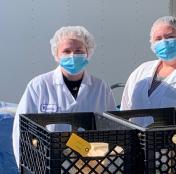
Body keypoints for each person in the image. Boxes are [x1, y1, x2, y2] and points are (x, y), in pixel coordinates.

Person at [12, 26, 116, 167]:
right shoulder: (39, 86)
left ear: (88, 52)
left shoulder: (100, 88)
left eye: (78, 51)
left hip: (91, 166)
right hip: (49, 165)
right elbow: (21, 130)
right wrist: (27, 166)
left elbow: (114, 130)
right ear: (57, 55)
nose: (72, 55)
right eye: (66, 51)